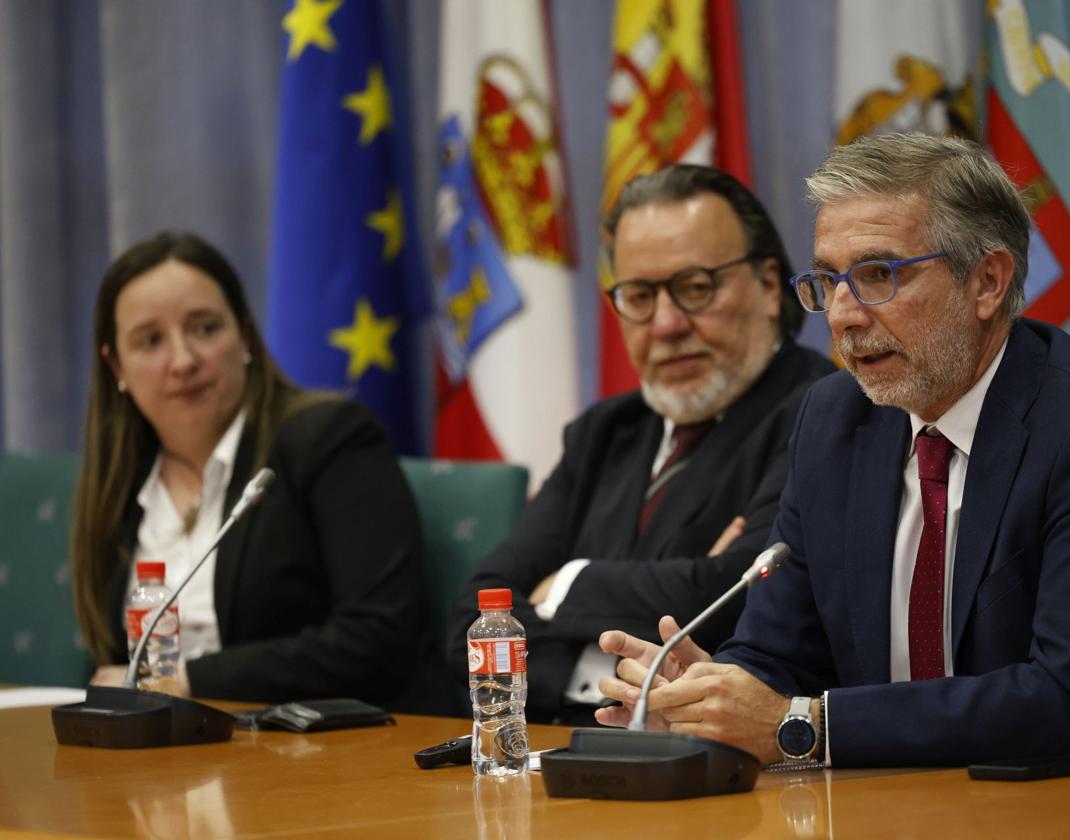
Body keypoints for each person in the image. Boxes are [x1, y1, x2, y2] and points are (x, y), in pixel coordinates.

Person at [596, 133, 1070, 770]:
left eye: (877, 275)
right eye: (828, 281)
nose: (843, 316)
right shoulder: (833, 420)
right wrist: (711, 692)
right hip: (886, 804)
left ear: (988, 281)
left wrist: (805, 725)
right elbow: (782, 650)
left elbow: (1069, 700)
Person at [447, 164, 835, 724]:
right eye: (639, 295)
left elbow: (738, 597)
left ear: (770, 286)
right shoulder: (606, 431)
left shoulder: (819, 411)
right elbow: (477, 619)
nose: (666, 323)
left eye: (696, 287)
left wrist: (563, 586)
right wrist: (602, 672)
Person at [72, 230, 450, 711]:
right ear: (116, 367)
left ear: (245, 334)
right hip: (165, 755)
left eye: (205, 328)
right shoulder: (118, 486)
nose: (183, 360)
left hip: (328, 755)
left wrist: (190, 680)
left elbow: (378, 636)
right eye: (150, 341)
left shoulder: (329, 439)